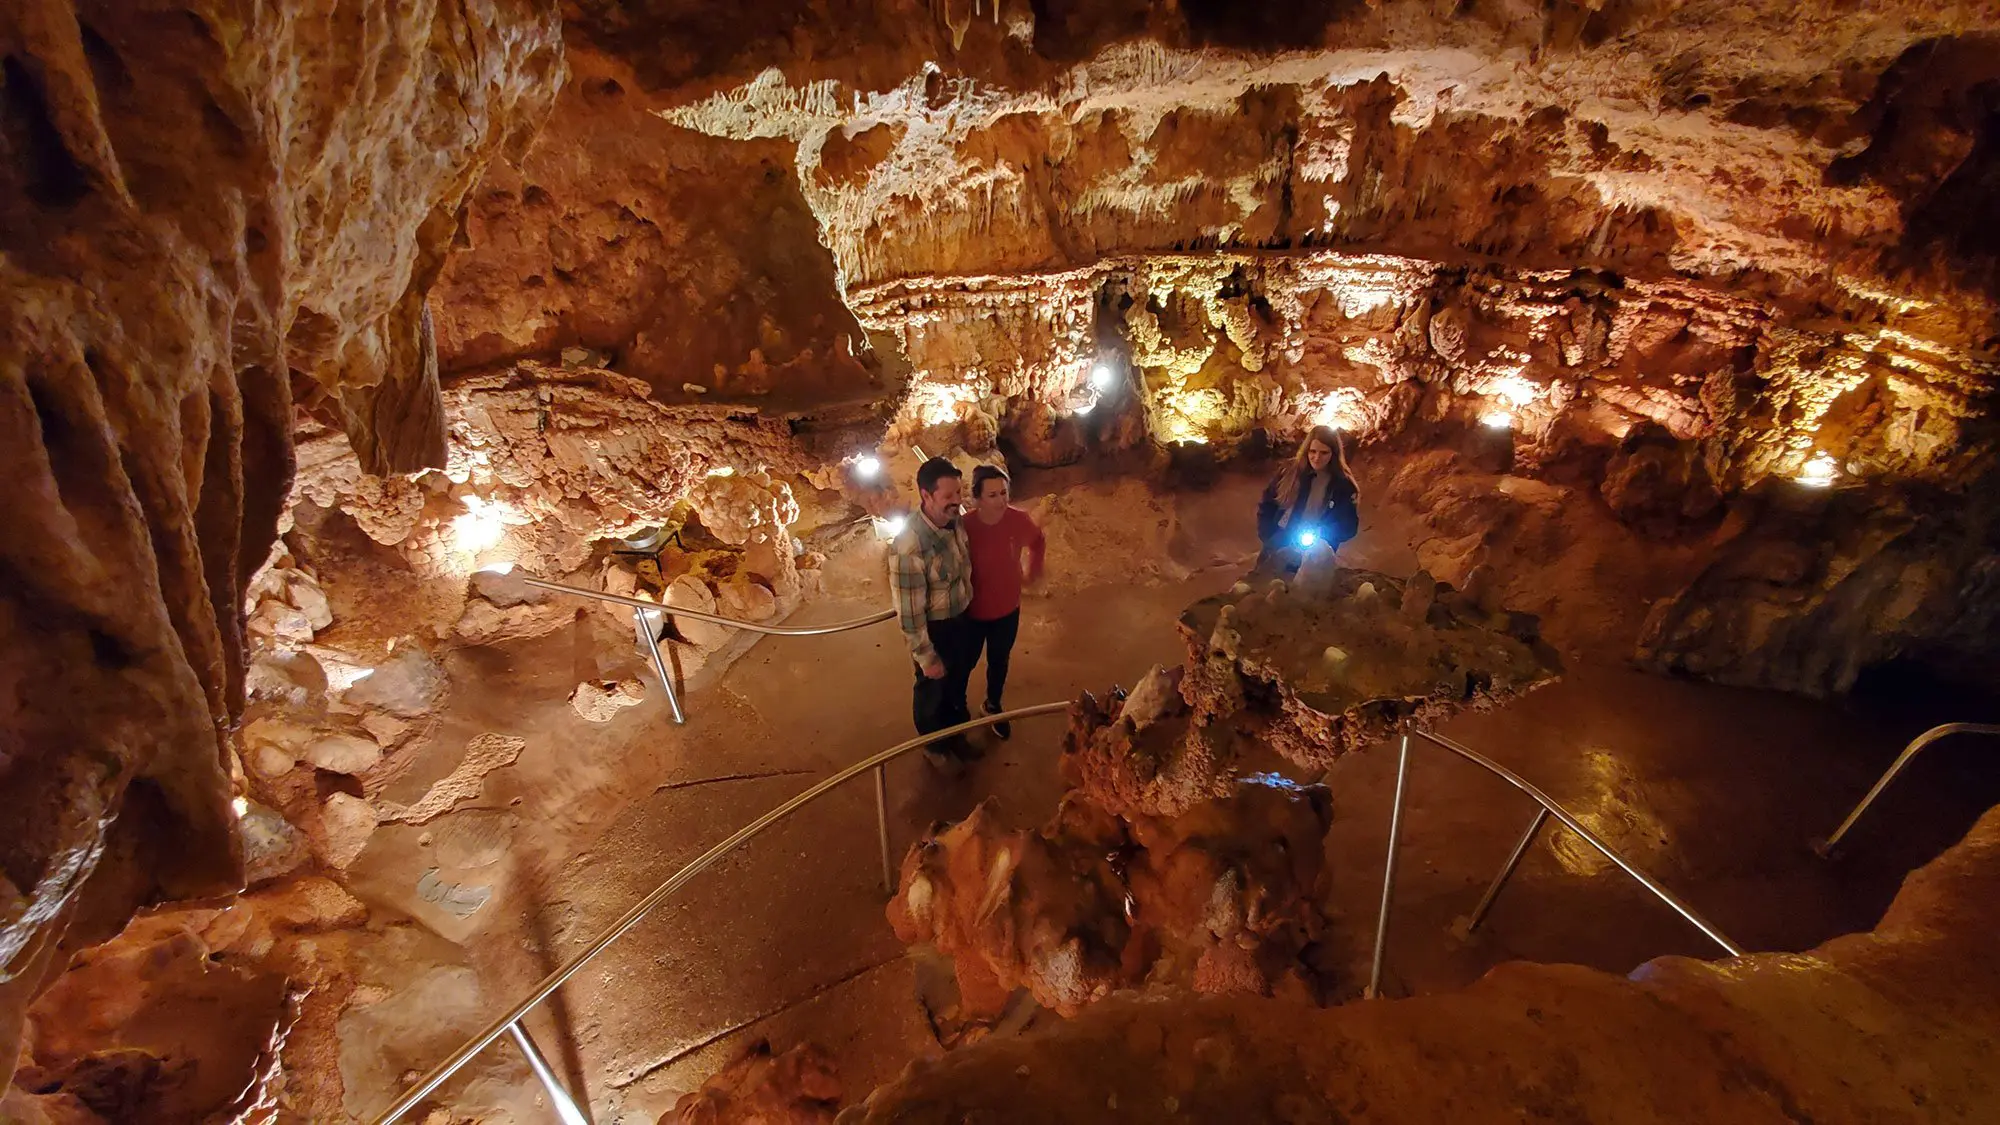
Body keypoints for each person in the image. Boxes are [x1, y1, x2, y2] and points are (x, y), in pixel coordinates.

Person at [888, 457, 978, 764]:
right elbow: (909, 613)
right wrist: (926, 656)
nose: (958, 501)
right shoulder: (909, 546)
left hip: (961, 619)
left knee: (957, 685)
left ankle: (957, 735)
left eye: (959, 492)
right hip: (936, 630)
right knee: (933, 691)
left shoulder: (954, 521)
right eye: (949, 496)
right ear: (926, 496)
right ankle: (935, 747)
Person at [961, 465, 1046, 740]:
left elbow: (1038, 541)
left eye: (1004, 493)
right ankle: (957, 710)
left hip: (1007, 608)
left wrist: (1033, 570)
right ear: (977, 498)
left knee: (999, 659)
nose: (1000, 500)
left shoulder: (1017, 520)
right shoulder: (965, 528)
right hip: (972, 611)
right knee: (965, 661)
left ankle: (993, 705)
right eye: (992, 495)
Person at [1256, 424, 1360, 571]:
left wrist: (1323, 535)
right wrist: (1268, 536)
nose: (1317, 458)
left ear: (1333, 454)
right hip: (1280, 540)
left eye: (1324, 453)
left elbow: (1348, 526)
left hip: (1315, 550)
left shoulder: (1342, 485)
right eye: (1313, 451)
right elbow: (1267, 503)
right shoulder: (1289, 472)